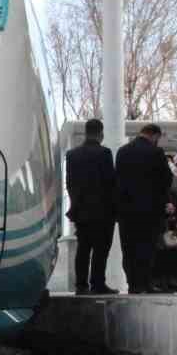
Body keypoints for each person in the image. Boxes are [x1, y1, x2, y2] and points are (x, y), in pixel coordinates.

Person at [114, 124, 172, 294]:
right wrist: (162, 201)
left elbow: (117, 180)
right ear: (154, 136)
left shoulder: (122, 151)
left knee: (129, 248)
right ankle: (146, 283)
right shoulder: (156, 153)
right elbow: (166, 179)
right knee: (147, 248)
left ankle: (133, 284)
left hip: (126, 211)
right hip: (150, 210)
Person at [66, 118, 117, 295]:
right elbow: (110, 183)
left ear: (86, 132)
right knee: (101, 249)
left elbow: (70, 183)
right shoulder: (104, 153)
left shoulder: (72, 155)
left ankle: (81, 285)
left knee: (83, 248)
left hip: (81, 211)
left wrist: (75, 205)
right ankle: (97, 283)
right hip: (103, 212)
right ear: (101, 134)